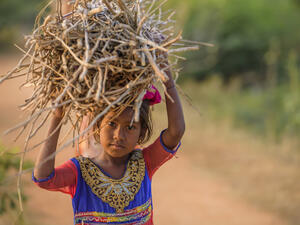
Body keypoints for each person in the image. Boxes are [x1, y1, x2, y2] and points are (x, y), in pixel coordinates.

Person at [32, 65, 185, 224]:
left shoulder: (144, 162)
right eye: (111, 124)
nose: (119, 136)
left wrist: (169, 83)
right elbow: (42, 177)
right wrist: (57, 116)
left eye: (130, 127)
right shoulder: (80, 171)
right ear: (97, 125)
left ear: (142, 132)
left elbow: (176, 132)